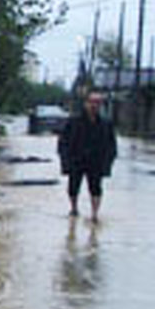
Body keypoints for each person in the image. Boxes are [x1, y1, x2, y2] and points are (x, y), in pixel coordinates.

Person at [58, 91, 118, 223]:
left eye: (97, 103)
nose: (94, 105)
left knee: (96, 188)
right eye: (91, 102)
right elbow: (63, 141)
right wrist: (65, 160)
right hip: (76, 159)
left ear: (101, 105)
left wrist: (108, 163)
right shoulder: (74, 121)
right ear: (85, 104)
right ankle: (74, 209)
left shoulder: (106, 124)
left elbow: (111, 145)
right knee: (73, 187)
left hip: (96, 161)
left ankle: (94, 214)